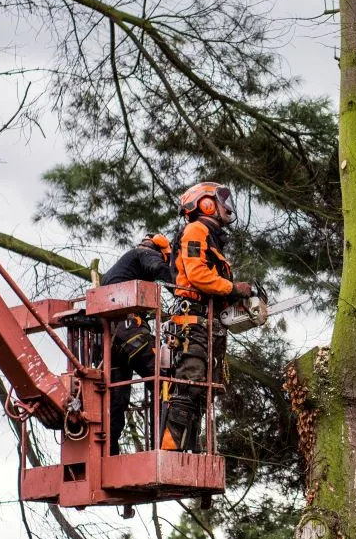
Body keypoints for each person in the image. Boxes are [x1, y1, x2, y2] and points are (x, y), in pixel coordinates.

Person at [162, 181, 253, 452]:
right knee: (189, 385)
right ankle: (169, 450)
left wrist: (235, 297)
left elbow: (211, 280)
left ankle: (191, 450)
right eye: (221, 199)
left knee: (202, 391)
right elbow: (197, 275)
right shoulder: (196, 230)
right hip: (193, 322)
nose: (227, 205)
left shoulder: (211, 237)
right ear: (206, 203)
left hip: (208, 323)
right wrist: (232, 287)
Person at [99, 233, 172, 455]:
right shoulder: (144, 254)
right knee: (166, 379)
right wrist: (186, 290)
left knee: (115, 400)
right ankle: (164, 449)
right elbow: (161, 271)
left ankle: (107, 455)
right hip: (130, 332)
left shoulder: (119, 270)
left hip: (110, 340)